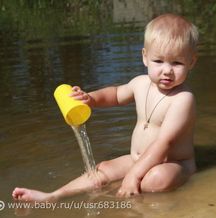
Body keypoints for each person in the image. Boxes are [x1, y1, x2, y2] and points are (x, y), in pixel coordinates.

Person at [12, 13, 198, 201]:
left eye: (177, 63)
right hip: (137, 158)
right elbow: (116, 94)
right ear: (145, 57)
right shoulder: (140, 84)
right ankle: (53, 196)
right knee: (104, 168)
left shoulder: (183, 99)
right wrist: (90, 99)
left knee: (155, 180)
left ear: (191, 62)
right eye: (158, 61)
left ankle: (131, 198)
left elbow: (163, 143)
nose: (167, 70)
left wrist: (134, 175)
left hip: (174, 163)